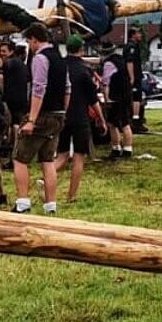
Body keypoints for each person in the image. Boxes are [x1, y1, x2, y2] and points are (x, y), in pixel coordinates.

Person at [13, 24, 69, 214]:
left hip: (42, 115)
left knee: (20, 158)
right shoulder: (61, 59)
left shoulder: (40, 58)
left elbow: (38, 89)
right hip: (58, 115)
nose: (29, 45)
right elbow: (67, 89)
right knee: (47, 160)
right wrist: (63, 111)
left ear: (35, 39)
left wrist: (31, 120)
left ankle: (23, 203)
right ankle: (50, 205)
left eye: (29, 41)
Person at [61, 35, 103, 201]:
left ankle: (45, 178)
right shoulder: (84, 71)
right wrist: (101, 118)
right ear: (82, 50)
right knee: (79, 156)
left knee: (62, 156)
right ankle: (71, 196)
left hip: (62, 116)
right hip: (79, 117)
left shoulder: (60, 66)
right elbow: (93, 100)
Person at [101, 41, 135, 159]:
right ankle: (128, 148)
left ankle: (116, 148)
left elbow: (106, 83)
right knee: (125, 123)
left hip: (115, 97)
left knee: (112, 123)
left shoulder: (108, 64)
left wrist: (107, 99)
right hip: (126, 95)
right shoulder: (121, 60)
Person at [126, 27, 151, 135]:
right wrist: (131, 77)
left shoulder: (135, 46)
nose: (140, 35)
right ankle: (135, 121)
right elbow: (129, 62)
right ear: (133, 35)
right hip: (134, 77)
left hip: (137, 76)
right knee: (136, 98)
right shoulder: (131, 47)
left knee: (139, 98)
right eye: (138, 33)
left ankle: (138, 120)